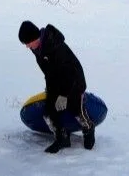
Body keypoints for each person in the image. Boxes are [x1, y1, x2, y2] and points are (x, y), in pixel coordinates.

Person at [18, 21, 95, 153]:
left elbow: (69, 73)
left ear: (34, 38)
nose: (27, 47)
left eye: (27, 43)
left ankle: (88, 129)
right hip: (57, 81)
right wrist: (51, 90)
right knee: (49, 112)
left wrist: (64, 95)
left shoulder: (55, 45)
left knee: (75, 108)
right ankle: (62, 138)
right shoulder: (36, 49)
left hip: (74, 80)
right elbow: (49, 72)